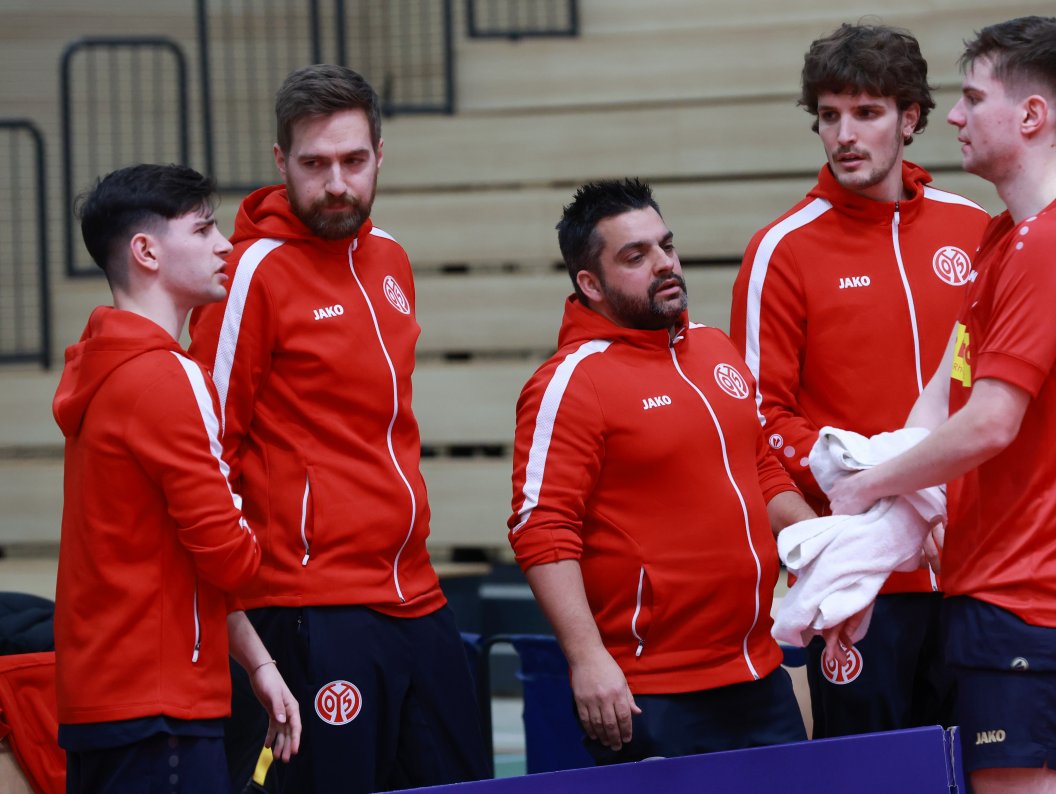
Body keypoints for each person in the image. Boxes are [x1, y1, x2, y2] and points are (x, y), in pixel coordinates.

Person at [828, 16, 1056, 794]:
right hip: (1007, 593)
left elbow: (992, 421)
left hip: (1038, 597)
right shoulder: (1008, 237)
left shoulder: (1054, 244)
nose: (953, 116)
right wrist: (864, 545)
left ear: (1031, 116)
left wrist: (866, 484)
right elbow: (944, 395)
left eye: (971, 98)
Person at [189, 65, 489, 792]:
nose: (336, 184)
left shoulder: (389, 257)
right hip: (307, 605)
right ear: (280, 162)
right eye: (314, 163)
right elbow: (205, 447)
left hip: (416, 590)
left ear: (379, 155)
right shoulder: (251, 273)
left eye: (354, 162)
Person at [729, 22, 990, 738]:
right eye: (829, 115)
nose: (844, 133)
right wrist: (861, 487)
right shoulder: (781, 251)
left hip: (979, 573)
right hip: (863, 584)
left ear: (909, 118)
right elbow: (757, 422)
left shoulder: (976, 231)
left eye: (866, 113)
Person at [508, 178, 816, 764]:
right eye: (636, 256)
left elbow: (760, 468)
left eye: (665, 246)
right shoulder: (568, 384)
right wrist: (588, 658)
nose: (664, 264)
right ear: (589, 284)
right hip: (652, 694)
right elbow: (541, 528)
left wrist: (818, 546)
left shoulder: (715, 348)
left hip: (759, 672)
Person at [53, 163, 300, 792]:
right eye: (204, 228)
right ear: (146, 251)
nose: (225, 245)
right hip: (159, 706)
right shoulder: (169, 376)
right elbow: (231, 560)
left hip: (101, 703)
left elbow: (185, 557)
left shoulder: (104, 368)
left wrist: (258, 662)